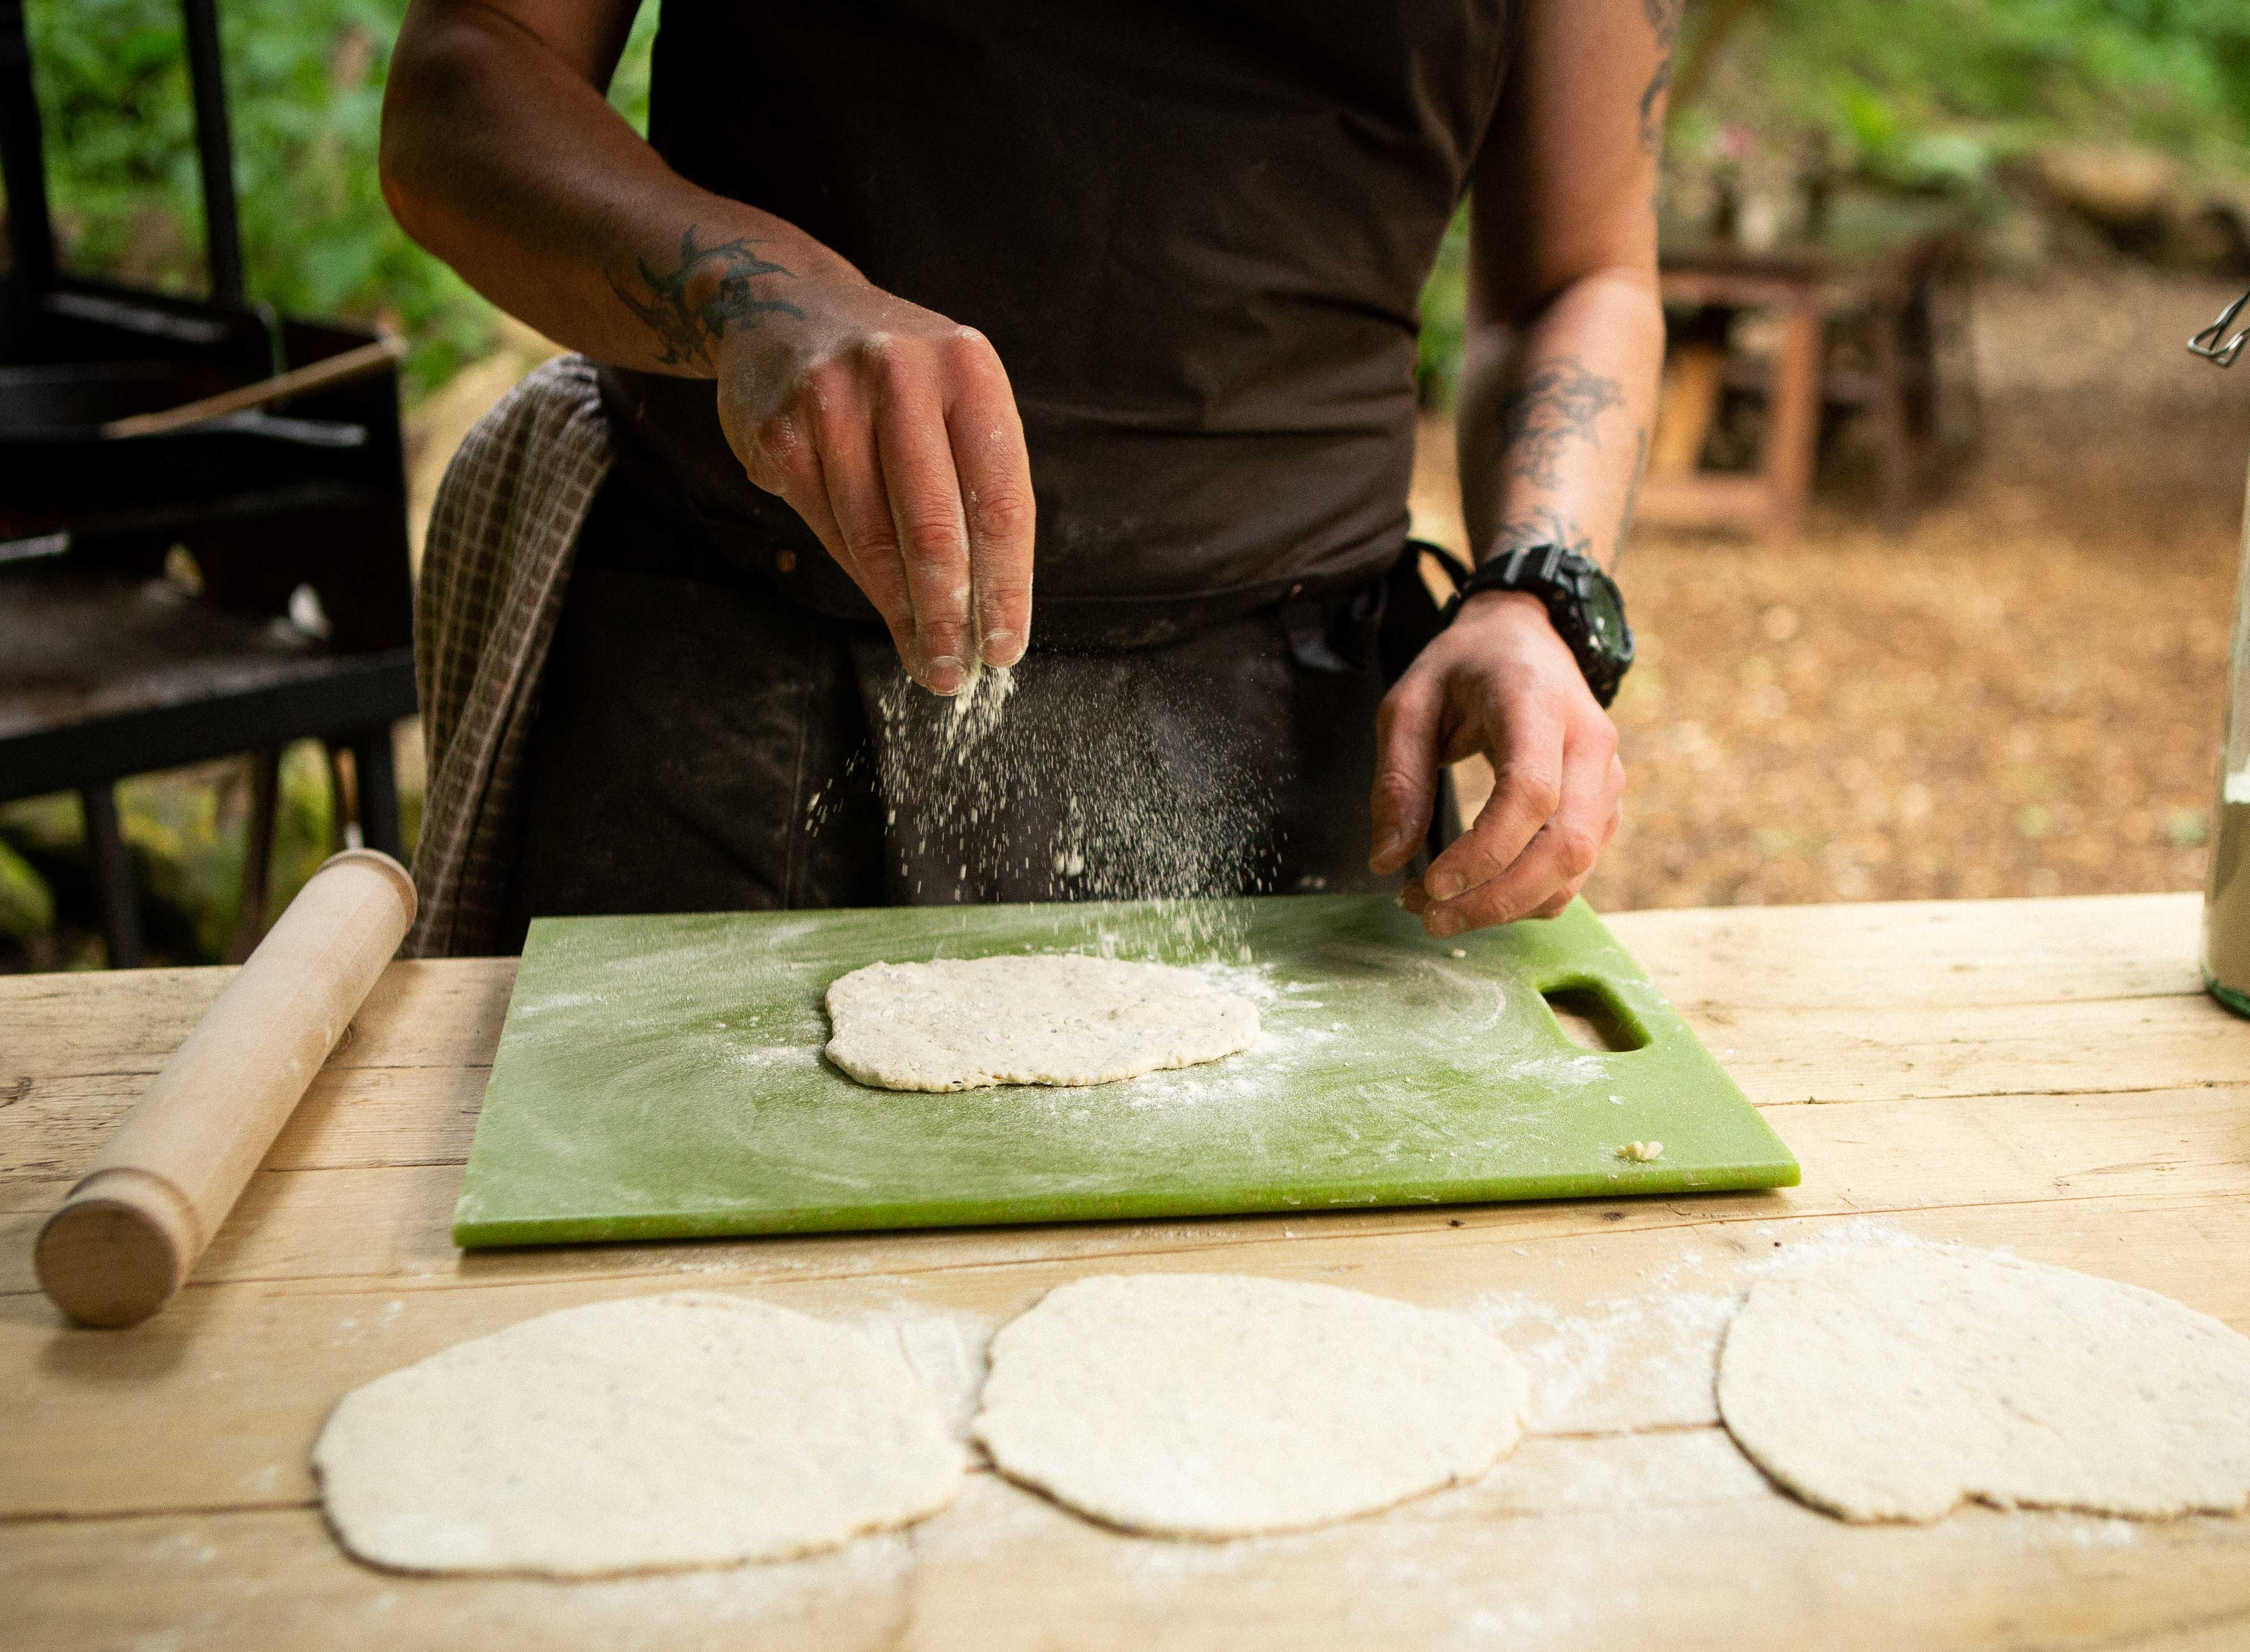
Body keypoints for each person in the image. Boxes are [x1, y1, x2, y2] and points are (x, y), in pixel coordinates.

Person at [383, 0, 1666, 952]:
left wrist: (1535, 593)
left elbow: (1581, 274)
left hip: (1300, 731)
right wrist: (754, 293)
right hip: (735, 680)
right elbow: (468, 78)